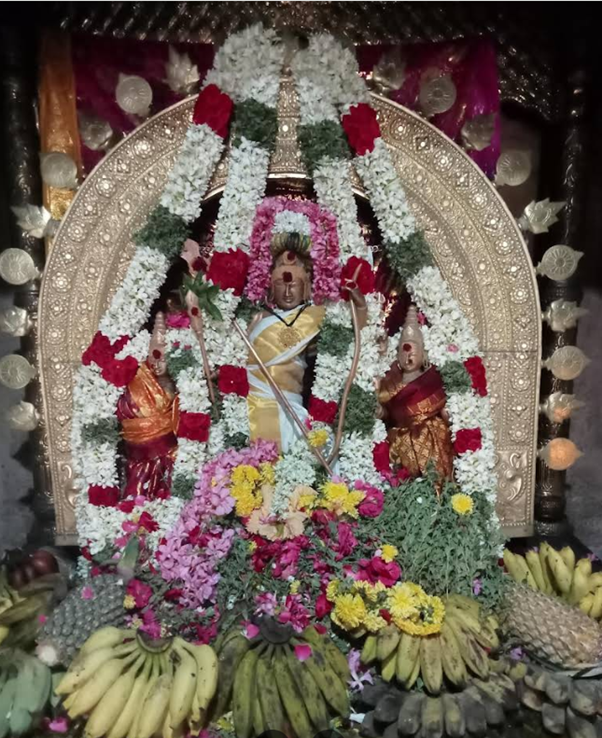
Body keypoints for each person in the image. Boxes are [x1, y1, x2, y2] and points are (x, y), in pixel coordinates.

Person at [378, 305, 454, 484]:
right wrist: (379, 411)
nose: (408, 357)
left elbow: (444, 408)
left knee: (437, 479)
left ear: (423, 354)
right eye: (404, 352)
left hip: (432, 437)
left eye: (413, 352)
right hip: (401, 440)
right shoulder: (390, 383)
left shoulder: (433, 380)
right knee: (405, 484)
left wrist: (449, 416)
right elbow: (385, 413)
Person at [116, 311, 178, 498]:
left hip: (172, 458)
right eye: (154, 355)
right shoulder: (135, 378)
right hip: (137, 460)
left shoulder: (182, 380)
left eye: (164, 357)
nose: (158, 362)